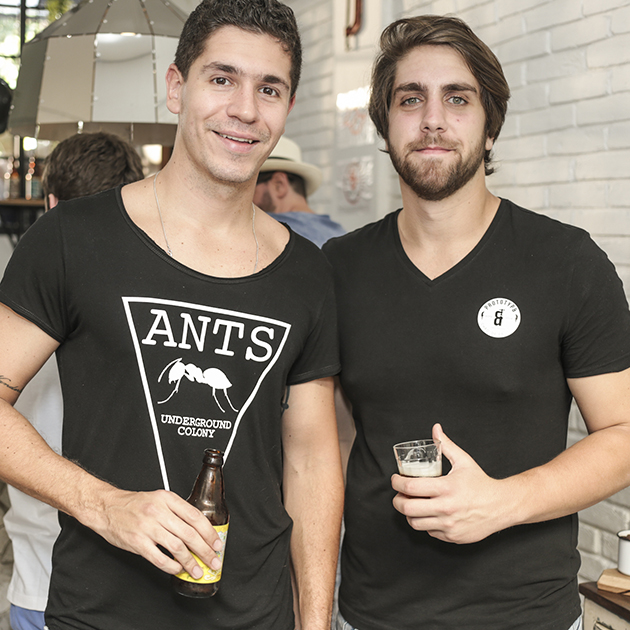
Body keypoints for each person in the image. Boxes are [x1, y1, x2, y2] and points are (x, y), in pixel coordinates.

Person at [0, 1, 344, 629]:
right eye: (222, 79)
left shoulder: (308, 273)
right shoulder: (73, 238)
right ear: (176, 88)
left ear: (288, 107)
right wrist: (102, 504)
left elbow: (310, 458)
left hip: (256, 616)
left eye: (269, 89)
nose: (245, 109)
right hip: (100, 614)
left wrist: (316, 621)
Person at [323, 14, 630, 630]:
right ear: (385, 124)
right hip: (370, 614)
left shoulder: (566, 262)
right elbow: (327, 447)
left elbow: (623, 435)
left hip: (527, 616)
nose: (433, 119)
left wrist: (502, 502)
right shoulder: (337, 268)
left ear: (491, 129)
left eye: (458, 99)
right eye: (411, 99)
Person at [3, 132, 144, 630]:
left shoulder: (12, 305)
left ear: (50, 204)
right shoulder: (149, 310)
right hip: (130, 584)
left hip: (40, 576)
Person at [254, 136, 345, 247]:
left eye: (250, 185)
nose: (245, 197)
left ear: (279, 184)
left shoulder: (261, 230)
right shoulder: (340, 233)